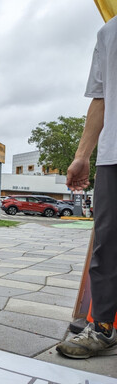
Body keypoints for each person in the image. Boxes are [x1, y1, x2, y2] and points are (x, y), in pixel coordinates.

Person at [56, 16, 117, 359]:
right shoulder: (109, 33)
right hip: (113, 155)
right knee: (107, 244)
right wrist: (82, 156)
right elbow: (101, 98)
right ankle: (104, 327)